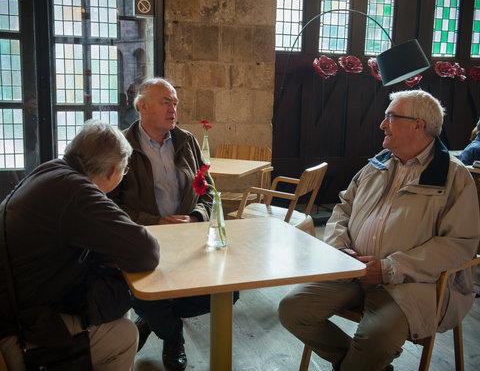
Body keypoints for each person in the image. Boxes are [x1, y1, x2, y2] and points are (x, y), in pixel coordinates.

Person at [278, 90, 480, 371]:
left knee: (376, 339)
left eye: (390, 117)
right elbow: (343, 208)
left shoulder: (454, 177)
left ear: (418, 125)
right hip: (351, 271)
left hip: (411, 283)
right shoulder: (376, 165)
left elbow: (459, 244)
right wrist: (339, 250)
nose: (382, 124)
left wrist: (388, 268)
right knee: (292, 309)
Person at [0, 120, 160, 371]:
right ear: (113, 171)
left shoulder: (52, 170)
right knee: (124, 334)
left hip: (19, 302)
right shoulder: (76, 191)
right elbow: (145, 251)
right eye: (124, 171)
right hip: (17, 329)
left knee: (113, 305)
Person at [109, 77, 237, 371]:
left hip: (188, 238)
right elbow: (111, 205)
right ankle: (172, 335)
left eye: (175, 103)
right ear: (143, 106)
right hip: (144, 240)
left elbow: (209, 193)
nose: (173, 109)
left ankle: (156, 321)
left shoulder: (186, 140)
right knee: (143, 294)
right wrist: (155, 222)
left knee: (229, 292)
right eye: (166, 102)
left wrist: (195, 218)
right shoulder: (121, 146)